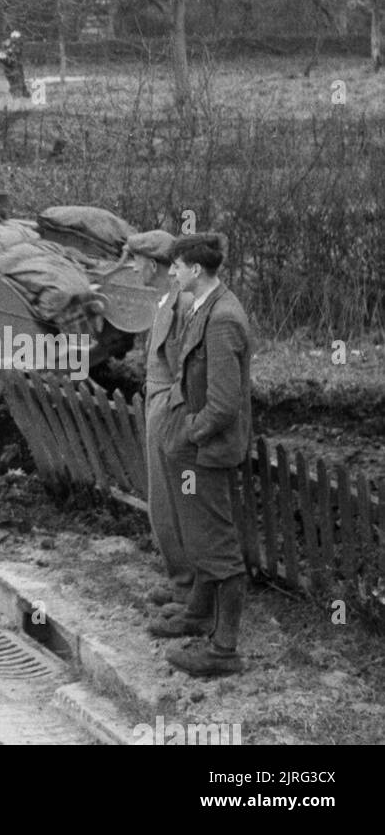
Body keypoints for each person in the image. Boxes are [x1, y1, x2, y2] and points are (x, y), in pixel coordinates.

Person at [148, 232, 252, 678]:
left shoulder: (223, 318)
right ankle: (196, 614)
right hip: (196, 446)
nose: (171, 272)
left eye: (177, 265)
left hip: (208, 451)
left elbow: (225, 404)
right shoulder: (201, 307)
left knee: (219, 548)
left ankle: (223, 650)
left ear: (195, 269)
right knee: (200, 537)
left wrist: (189, 433)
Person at [131, 229, 193, 609]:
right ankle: (180, 580)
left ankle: (189, 589)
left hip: (169, 409)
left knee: (174, 503)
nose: (133, 268)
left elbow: (184, 370)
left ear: (152, 265)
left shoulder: (178, 305)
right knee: (161, 503)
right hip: (159, 404)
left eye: (137, 262)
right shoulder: (165, 301)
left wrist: (171, 415)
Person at [0, 30, 28, 97]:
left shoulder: (18, 45)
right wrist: (8, 55)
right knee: (14, 81)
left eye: (18, 39)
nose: (17, 41)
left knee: (20, 80)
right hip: (9, 67)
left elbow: (18, 53)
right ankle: (16, 94)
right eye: (16, 39)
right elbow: (1, 56)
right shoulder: (6, 44)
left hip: (16, 65)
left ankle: (22, 92)